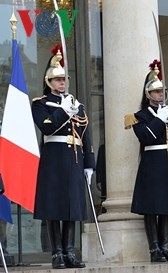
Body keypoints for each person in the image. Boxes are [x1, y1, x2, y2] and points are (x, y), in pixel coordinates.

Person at [31, 45, 95, 269]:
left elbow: (85, 134)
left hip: (75, 158)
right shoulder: (40, 104)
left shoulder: (77, 104)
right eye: (57, 79)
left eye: (64, 79)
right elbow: (46, 128)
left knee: (72, 207)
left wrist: (89, 163)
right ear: (49, 81)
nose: (62, 83)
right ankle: (57, 253)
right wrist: (63, 111)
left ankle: (69, 252)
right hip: (54, 159)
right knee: (54, 207)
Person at [125, 60, 168, 262]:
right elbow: (145, 137)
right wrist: (159, 120)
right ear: (148, 94)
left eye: (162, 91)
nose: (160, 94)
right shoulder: (140, 116)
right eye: (156, 91)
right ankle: (154, 249)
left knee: (167, 207)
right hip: (153, 163)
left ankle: (165, 247)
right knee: (152, 207)